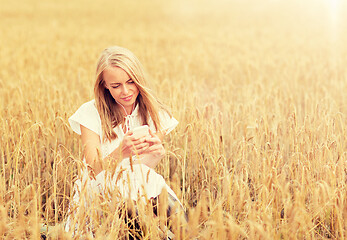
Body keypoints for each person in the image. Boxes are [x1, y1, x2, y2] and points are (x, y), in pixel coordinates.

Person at [65, 46, 185, 236]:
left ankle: (184, 232)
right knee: (135, 207)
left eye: (131, 82)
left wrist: (156, 155)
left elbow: (143, 169)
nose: (126, 91)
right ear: (104, 85)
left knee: (159, 195)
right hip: (98, 193)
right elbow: (91, 170)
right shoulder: (89, 113)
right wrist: (120, 152)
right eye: (116, 86)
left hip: (139, 186)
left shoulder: (156, 113)